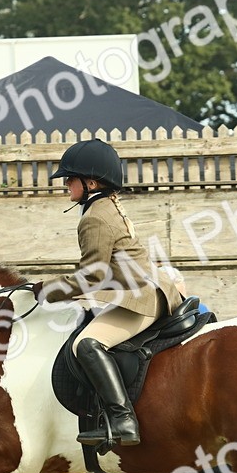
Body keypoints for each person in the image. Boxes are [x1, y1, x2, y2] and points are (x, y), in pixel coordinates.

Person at [35, 139, 183, 447]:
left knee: (87, 344)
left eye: (70, 178)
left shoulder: (94, 217)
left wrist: (49, 290)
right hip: (148, 287)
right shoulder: (107, 205)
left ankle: (123, 420)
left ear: (90, 183)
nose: (66, 184)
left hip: (142, 297)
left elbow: (93, 274)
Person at [120, 267, 231, 473]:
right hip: (151, 400)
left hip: (192, 402)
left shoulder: (203, 314)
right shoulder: (142, 314)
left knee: (217, 444)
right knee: (123, 439)